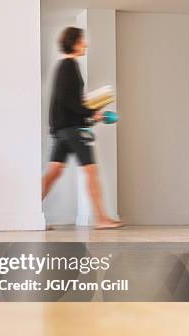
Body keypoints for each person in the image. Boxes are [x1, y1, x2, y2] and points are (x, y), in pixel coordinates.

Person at [43, 27, 123, 230]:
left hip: (64, 130)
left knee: (53, 173)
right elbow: (67, 100)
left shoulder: (66, 66)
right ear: (75, 43)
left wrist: (89, 113)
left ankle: (28, 217)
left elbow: (66, 101)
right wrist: (90, 112)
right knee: (91, 171)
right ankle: (101, 219)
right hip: (72, 130)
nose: (85, 44)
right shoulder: (69, 66)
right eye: (82, 40)